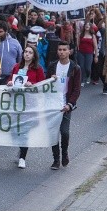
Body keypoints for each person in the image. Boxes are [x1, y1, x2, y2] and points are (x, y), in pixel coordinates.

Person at [6, 45, 45, 169]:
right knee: (14, 130)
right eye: (25, 52)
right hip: (16, 103)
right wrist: (10, 82)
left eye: (30, 52)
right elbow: (10, 79)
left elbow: (42, 85)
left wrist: (32, 84)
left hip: (29, 104)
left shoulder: (38, 69)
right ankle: (21, 148)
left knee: (25, 131)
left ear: (34, 56)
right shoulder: (16, 67)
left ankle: (22, 157)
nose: (27, 54)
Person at [45, 40, 80, 170]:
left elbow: (76, 89)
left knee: (64, 132)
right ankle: (56, 159)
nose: (62, 52)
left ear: (69, 51)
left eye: (64, 50)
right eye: (60, 50)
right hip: (53, 103)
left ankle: (64, 152)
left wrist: (70, 104)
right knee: (53, 132)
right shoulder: (52, 66)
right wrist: (50, 79)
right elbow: (45, 84)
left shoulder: (75, 68)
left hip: (66, 103)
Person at [0, 21, 23, 86]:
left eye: (0, 32)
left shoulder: (15, 42)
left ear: (6, 31)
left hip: (10, 77)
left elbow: (20, 58)